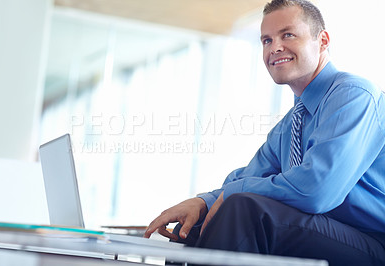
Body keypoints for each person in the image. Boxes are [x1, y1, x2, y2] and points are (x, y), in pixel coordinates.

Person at [144, 0, 385, 265]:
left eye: (288, 35)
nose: (275, 47)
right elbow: (251, 176)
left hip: (373, 241)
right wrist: (202, 202)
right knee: (195, 224)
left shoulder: (353, 96)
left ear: (323, 40)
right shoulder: (292, 124)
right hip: (329, 232)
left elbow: (316, 191)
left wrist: (231, 194)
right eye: (266, 40)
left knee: (244, 210)